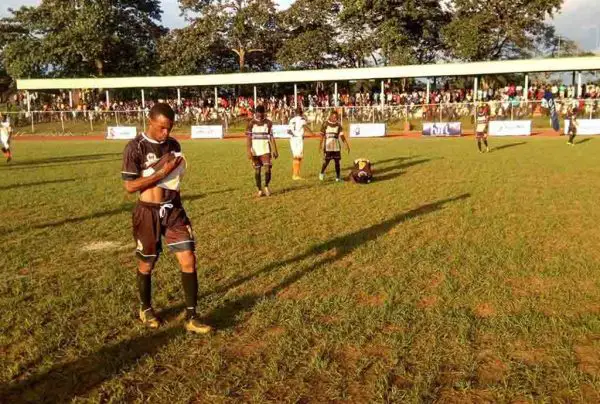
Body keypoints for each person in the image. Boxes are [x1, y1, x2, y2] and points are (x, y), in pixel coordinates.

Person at [121, 103, 211, 334]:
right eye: (162, 127)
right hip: (147, 212)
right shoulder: (135, 147)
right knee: (147, 264)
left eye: (169, 128)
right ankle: (145, 308)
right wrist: (161, 172)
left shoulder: (174, 145)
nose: (166, 133)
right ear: (150, 121)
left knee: (188, 258)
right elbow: (130, 186)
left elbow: (174, 180)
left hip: (173, 210)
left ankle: (192, 316)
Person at [246, 105, 278, 197]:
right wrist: (249, 151)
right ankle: (259, 189)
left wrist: (275, 150)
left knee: (267, 169)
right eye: (258, 114)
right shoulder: (251, 123)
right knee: (257, 170)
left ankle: (266, 186)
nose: (260, 116)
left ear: (264, 113)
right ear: (255, 113)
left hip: (266, 149)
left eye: (262, 114)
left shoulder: (268, 123)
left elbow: (271, 137)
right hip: (255, 151)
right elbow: (248, 138)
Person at [319, 111, 350, 182]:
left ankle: (338, 177)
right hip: (328, 146)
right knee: (326, 161)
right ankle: (321, 173)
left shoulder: (338, 125)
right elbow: (322, 135)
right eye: (334, 117)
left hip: (336, 147)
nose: (335, 118)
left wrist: (346, 145)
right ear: (330, 116)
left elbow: (342, 136)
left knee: (337, 162)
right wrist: (320, 145)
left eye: (336, 117)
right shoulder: (325, 124)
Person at [287, 108, 314, 180]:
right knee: (298, 157)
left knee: (296, 156)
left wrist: (294, 134)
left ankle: (295, 174)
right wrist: (312, 133)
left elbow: (288, 131)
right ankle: (295, 175)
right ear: (301, 113)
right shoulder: (302, 119)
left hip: (292, 139)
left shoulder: (291, 120)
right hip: (298, 139)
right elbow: (305, 127)